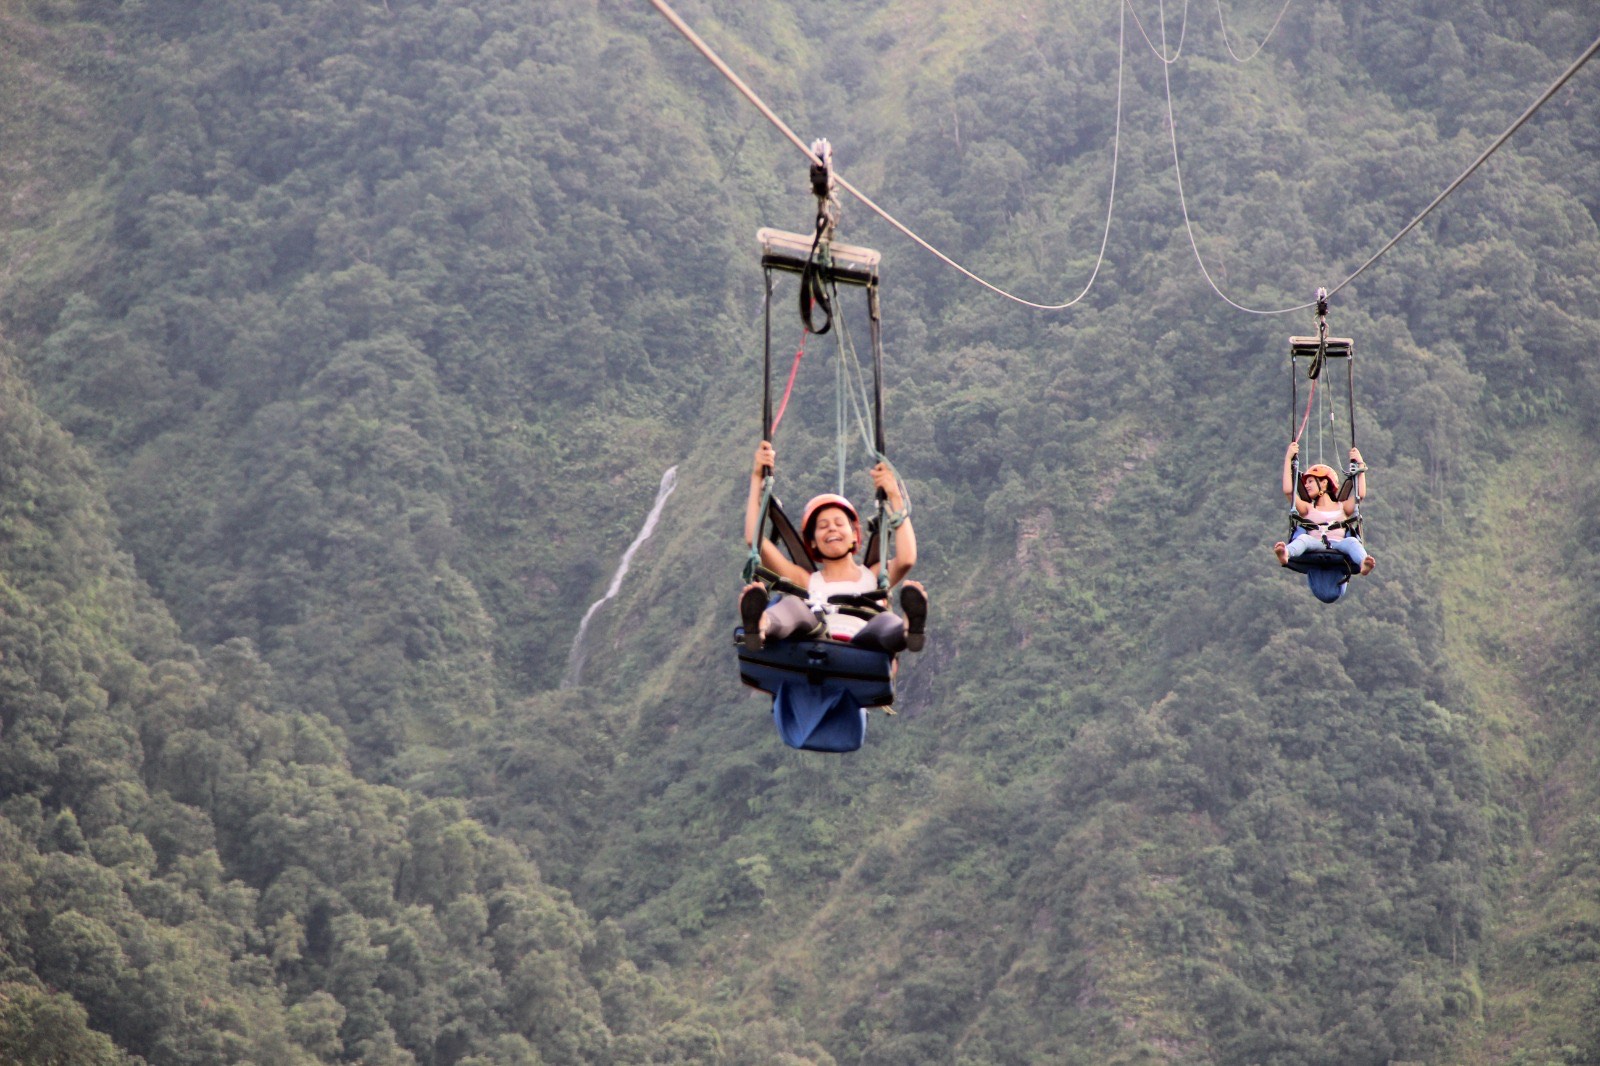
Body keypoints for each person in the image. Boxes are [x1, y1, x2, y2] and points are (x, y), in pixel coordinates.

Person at [739, 439, 927, 653]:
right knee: (793, 607)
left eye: (839, 524)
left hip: (863, 645)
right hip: (818, 640)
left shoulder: (872, 577)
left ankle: (908, 629)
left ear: (854, 536)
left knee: (883, 620)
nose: (832, 529)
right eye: (823, 526)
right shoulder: (806, 581)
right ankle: (761, 624)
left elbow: (906, 558)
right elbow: (754, 540)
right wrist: (756, 478)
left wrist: (894, 495)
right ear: (812, 541)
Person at [1273, 441, 1375, 594]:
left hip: (1339, 545)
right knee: (1303, 540)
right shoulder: (1307, 508)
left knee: (1352, 541)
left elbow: (1360, 494)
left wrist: (1360, 464)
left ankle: (1363, 563)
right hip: (1315, 544)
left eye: (1310, 481)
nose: (1306, 486)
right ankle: (1286, 554)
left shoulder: (1343, 508)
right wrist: (1288, 459)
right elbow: (1289, 491)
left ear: (1324, 482)